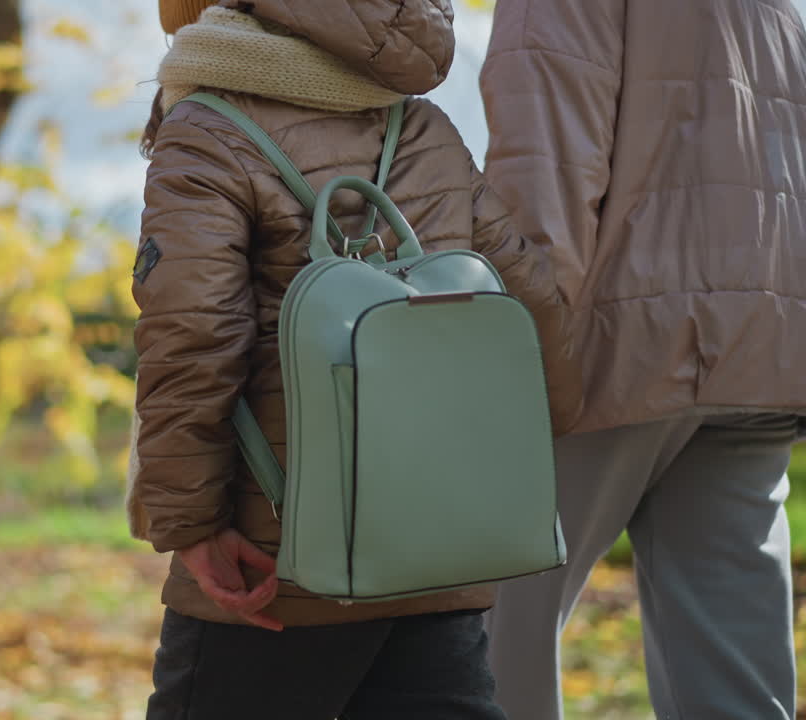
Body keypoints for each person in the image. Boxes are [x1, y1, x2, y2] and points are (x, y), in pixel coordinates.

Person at [126, 1, 583, 717]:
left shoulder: (209, 128)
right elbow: (529, 304)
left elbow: (193, 333)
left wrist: (192, 523)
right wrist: (521, 463)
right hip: (440, 538)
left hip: (277, 554)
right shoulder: (422, 126)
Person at [478, 1, 806, 718]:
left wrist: (509, 356)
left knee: (485, 642)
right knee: (734, 681)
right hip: (763, 345)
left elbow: (545, 168)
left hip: (613, 347)